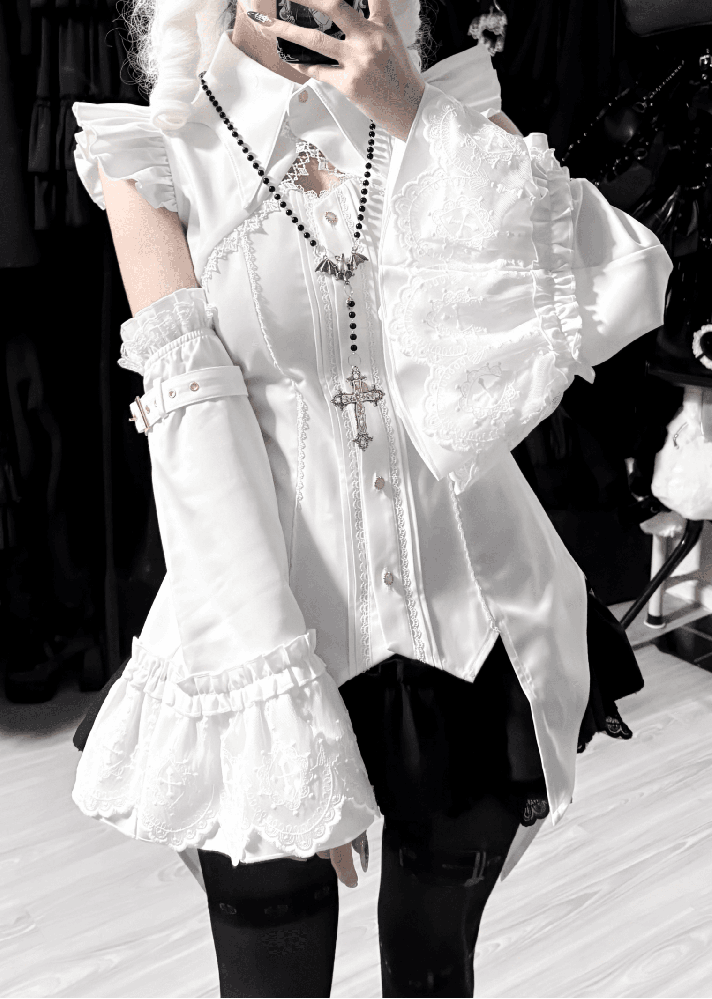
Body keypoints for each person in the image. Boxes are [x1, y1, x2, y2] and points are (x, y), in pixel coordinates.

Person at [69, 0, 672, 995]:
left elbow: (620, 287)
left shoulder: (449, 113)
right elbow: (199, 440)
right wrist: (280, 729)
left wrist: (413, 114)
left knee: (435, 970)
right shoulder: (161, 153)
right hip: (259, 639)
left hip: (474, 640)